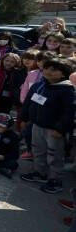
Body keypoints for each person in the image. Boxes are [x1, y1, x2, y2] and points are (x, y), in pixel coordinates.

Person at [20, 58, 76, 194]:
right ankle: (40, 173)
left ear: (63, 74)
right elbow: (28, 103)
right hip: (37, 125)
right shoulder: (39, 85)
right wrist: (24, 118)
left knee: (54, 155)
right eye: (46, 68)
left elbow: (69, 112)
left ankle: (55, 180)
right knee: (38, 150)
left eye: (54, 70)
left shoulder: (67, 90)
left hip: (53, 130)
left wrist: (60, 129)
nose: (48, 71)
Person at [0, 53, 26, 117]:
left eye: (12, 62)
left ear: (16, 63)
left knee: (5, 113)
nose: (8, 63)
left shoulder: (17, 72)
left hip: (10, 97)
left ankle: (2, 126)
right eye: (7, 60)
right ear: (3, 60)